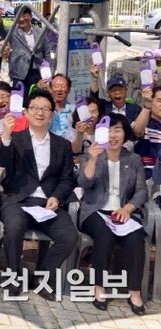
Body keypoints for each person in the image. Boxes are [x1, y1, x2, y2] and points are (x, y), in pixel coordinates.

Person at [0, 89, 77, 301]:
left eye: (45, 109)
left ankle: (42, 277)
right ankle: (14, 277)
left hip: (48, 203)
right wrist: (5, 135)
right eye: (35, 108)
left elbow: (67, 180)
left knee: (69, 236)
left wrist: (57, 198)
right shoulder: (15, 138)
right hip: (18, 200)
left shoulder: (63, 146)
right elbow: (3, 162)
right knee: (12, 228)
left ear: (52, 114)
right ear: (26, 112)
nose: (40, 112)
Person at [77, 112, 147, 316]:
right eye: (107, 130)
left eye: (117, 130)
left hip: (123, 212)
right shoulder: (92, 154)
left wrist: (128, 208)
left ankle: (134, 292)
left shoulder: (133, 159)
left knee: (136, 238)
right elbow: (83, 183)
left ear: (125, 135)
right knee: (104, 236)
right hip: (95, 211)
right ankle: (99, 288)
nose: (112, 135)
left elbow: (142, 190)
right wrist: (91, 159)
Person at [0, 81, 30, 174]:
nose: (0, 101)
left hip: (20, 170)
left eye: (4, 97)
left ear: (11, 97)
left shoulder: (24, 120)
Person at [2, 7, 54, 90]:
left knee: (36, 100)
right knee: (18, 101)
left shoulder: (40, 32)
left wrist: (49, 72)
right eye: (18, 16)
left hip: (37, 73)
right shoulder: (13, 31)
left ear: (31, 16)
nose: (21, 19)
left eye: (24, 15)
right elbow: (1, 31)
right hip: (19, 74)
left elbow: (46, 52)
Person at [64, 96, 102, 164]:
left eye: (94, 112)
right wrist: (80, 133)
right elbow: (75, 150)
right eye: (87, 112)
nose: (90, 116)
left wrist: (82, 158)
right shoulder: (71, 131)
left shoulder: (102, 131)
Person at [133, 86, 161, 178]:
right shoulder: (144, 123)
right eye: (159, 101)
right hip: (147, 181)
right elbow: (138, 131)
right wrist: (147, 104)